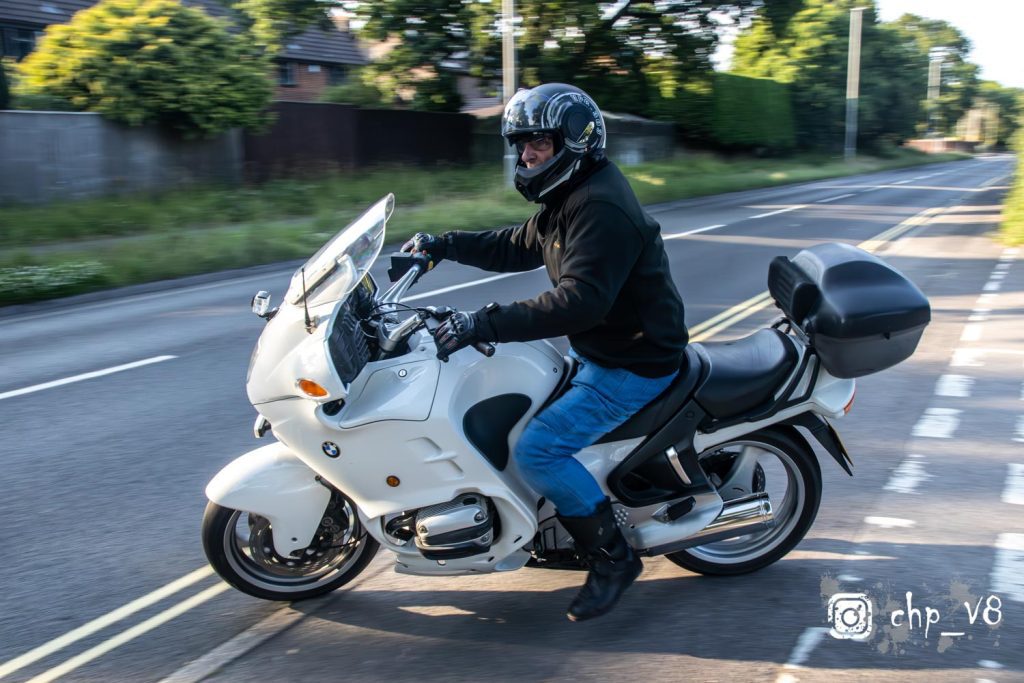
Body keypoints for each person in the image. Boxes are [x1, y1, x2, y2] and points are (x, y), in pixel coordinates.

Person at [401, 83, 688, 621]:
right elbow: (517, 244)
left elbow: (579, 303)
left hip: (634, 361)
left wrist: (477, 323)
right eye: (521, 144)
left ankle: (613, 558)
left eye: (539, 142)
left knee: (539, 450)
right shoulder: (572, 194)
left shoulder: (600, 207)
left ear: (573, 142)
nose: (527, 154)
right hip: (607, 347)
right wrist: (446, 245)